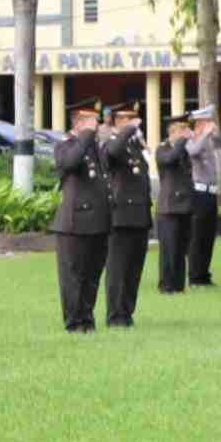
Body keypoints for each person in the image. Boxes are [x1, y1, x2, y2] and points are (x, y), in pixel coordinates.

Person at [51, 98, 110, 333]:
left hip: (97, 221)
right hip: (74, 223)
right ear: (80, 123)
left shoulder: (94, 147)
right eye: (92, 120)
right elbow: (70, 163)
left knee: (92, 276)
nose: (97, 125)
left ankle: (87, 319)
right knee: (73, 277)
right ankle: (74, 322)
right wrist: (85, 136)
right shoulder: (65, 145)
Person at [101, 102, 153, 328]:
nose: (135, 124)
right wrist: (129, 131)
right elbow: (112, 153)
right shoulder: (112, 143)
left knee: (134, 269)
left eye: (135, 120)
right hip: (121, 216)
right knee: (118, 269)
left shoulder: (134, 147)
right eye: (129, 120)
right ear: (118, 121)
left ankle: (127, 312)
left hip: (139, 215)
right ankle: (115, 314)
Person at [153, 113, 193, 294]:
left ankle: (178, 284)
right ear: (173, 131)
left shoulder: (182, 150)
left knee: (181, 247)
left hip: (184, 204)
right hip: (169, 206)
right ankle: (166, 284)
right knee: (169, 248)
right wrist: (181, 142)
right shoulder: (163, 148)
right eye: (183, 129)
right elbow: (169, 160)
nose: (186, 132)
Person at [184, 106, 221, 286]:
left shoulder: (211, 140)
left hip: (211, 193)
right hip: (198, 193)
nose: (210, 126)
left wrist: (213, 136)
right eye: (206, 122)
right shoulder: (192, 140)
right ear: (199, 124)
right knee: (197, 237)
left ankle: (204, 274)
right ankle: (194, 276)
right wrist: (204, 135)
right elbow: (192, 152)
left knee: (208, 236)